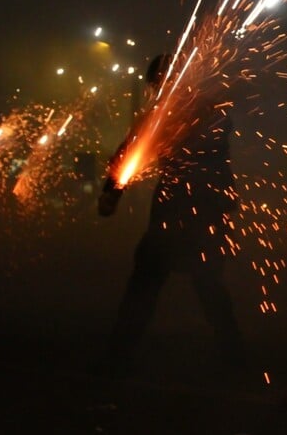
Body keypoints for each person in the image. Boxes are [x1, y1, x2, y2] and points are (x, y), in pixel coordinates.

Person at [97, 54, 244, 376]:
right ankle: (235, 358)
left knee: (155, 280)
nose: (156, 91)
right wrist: (112, 190)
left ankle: (118, 357)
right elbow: (132, 149)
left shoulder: (189, 109)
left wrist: (112, 193)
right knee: (204, 282)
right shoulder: (199, 106)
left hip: (186, 206)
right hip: (202, 206)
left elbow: (132, 148)